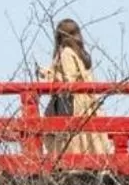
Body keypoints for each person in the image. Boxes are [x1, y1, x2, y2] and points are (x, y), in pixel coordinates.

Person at [41, 19, 111, 160]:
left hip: (72, 103)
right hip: (85, 102)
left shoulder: (66, 53)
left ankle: (72, 162)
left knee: (72, 140)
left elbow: (69, 80)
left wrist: (48, 75)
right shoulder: (79, 53)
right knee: (89, 139)